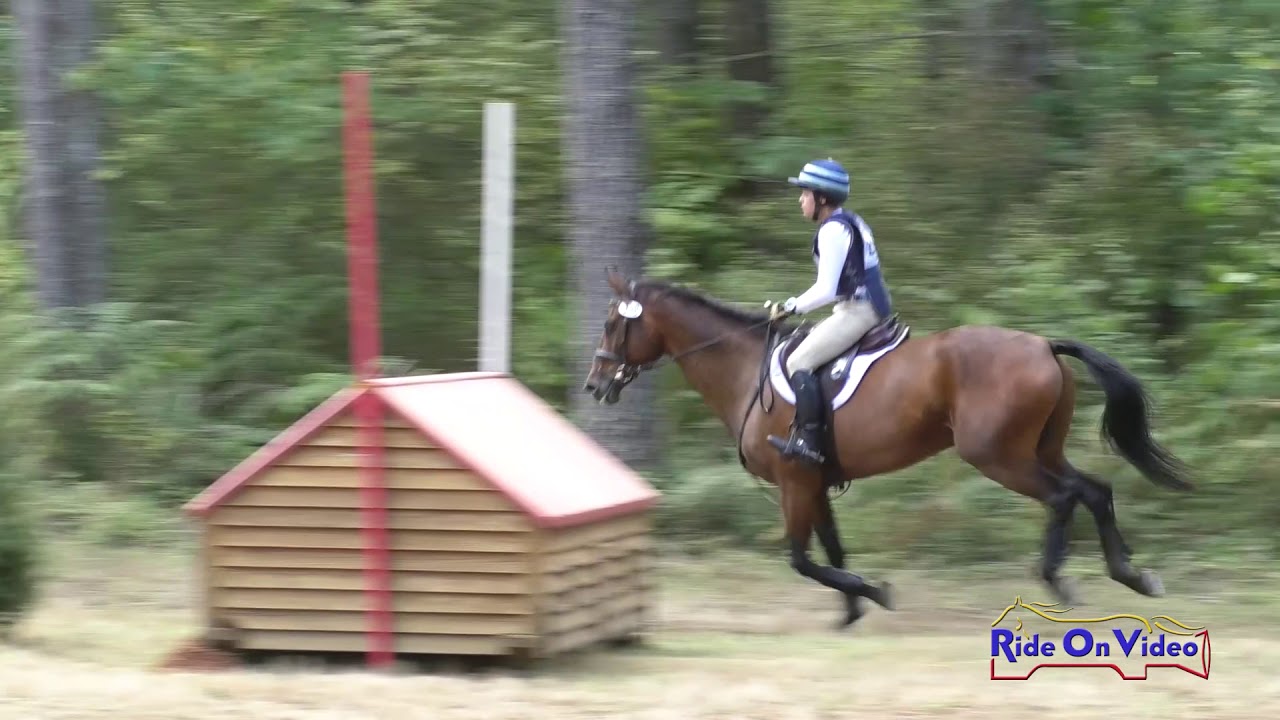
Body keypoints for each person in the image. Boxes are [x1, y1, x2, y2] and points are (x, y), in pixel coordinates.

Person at [765, 158, 893, 465]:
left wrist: (790, 307)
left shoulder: (832, 230)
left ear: (821, 198)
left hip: (859, 311)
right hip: (864, 305)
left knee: (798, 361)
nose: (801, 199)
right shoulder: (851, 221)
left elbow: (827, 289)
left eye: (805, 193)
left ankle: (811, 443)